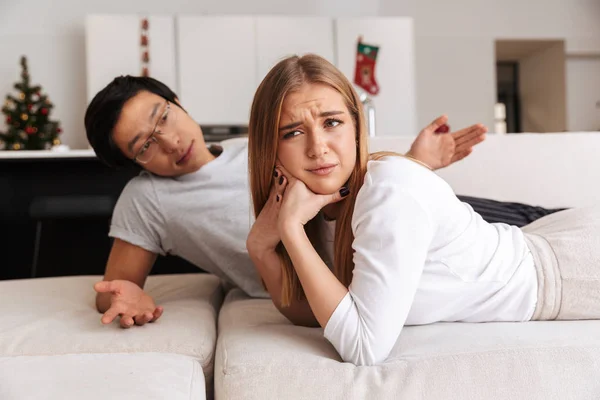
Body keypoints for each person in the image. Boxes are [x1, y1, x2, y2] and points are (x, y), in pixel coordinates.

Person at [246, 54, 600, 366]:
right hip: (547, 240)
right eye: (292, 132)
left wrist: (290, 230)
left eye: (332, 122)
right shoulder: (320, 206)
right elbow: (311, 313)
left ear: (357, 128)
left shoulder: (388, 191)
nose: (317, 147)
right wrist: (261, 248)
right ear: (271, 150)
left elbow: (364, 347)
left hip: (573, 266)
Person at [84, 75, 486, 328]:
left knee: (532, 226)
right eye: (145, 145)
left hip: (408, 231)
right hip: (343, 277)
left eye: (163, 117)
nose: (170, 141)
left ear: (178, 103)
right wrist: (126, 296)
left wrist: (416, 165)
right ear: (132, 163)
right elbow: (113, 287)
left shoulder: (257, 146)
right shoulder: (147, 199)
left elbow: (346, 189)